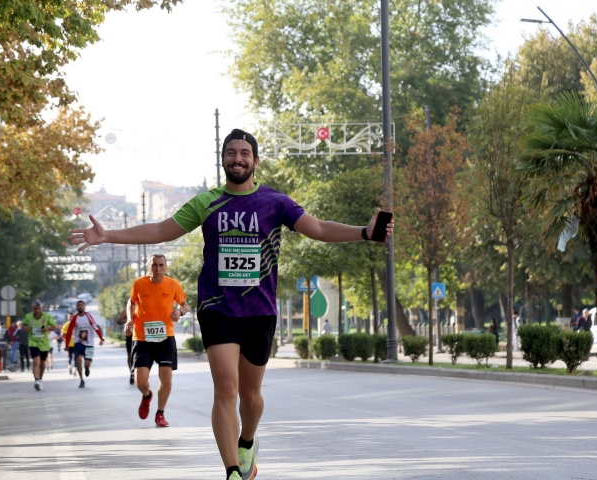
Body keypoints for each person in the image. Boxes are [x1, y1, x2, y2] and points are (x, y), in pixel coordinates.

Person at [69, 128, 393, 480]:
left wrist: (364, 231)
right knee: (225, 387)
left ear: (255, 161)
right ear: (222, 159)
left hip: (260, 310)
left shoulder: (275, 202)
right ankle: (232, 472)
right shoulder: (206, 203)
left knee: (251, 396)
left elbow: (319, 228)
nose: (237, 158)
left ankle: (248, 441)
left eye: (244, 153)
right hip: (217, 307)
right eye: (231, 153)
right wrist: (108, 236)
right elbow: (162, 230)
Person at [125, 254, 189, 427]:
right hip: (142, 337)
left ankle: (160, 413)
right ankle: (147, 396)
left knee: (166, 377)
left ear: (166, 267)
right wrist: (129, 319)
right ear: (148, 267)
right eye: (154, 265)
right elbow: (131, 303)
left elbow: (185, 305)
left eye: (161, 265)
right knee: (140, 380)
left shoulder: (173, 284)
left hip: (165, 336)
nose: (158, 269)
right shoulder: (139, 283)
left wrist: (179, 313)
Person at [64, 300, 104, 388]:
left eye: (82, 305)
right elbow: (69, 332)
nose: (80, 307)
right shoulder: (74, 318)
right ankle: (81, 380)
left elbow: (97, 327)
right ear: (76, 307)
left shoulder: (90, 316)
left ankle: (87, 368)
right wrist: (66, 345)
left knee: (86, 363)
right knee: (78, 360)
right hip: (78, 342)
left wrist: (101, 338)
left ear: (84, 307)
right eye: (78, 305)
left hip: (89, 343)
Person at [22, 300, 57, 391]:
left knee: (42, 363)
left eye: (39, 309)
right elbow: (24, 325)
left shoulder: (47, 316)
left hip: (44, 343)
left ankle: (40, 377)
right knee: (36, 362)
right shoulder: (28, 317)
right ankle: (36, 380)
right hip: (33, 342)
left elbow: (54, 326)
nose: (37, 311)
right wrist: (25, 328)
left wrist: (47, 329)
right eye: (35, 309)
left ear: (42, 308)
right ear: (32, 309)